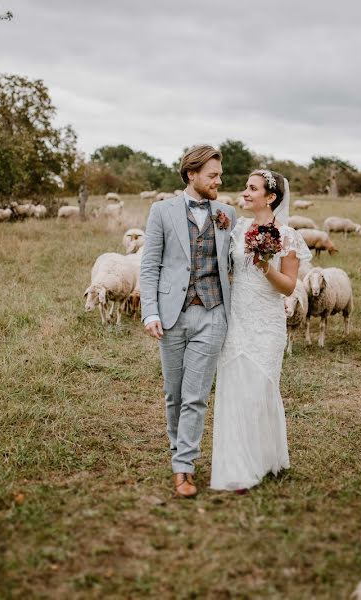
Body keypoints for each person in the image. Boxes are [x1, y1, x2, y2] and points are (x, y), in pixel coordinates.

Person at [140, 145, 238, 498]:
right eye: (212, 175)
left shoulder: (228, 213)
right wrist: (150, 311)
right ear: (191, 175)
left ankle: (184, 466)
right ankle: (176, 449)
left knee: (196, 396)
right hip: (171, 315)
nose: (219, 181)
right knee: (174, 393)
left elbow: (234, 263)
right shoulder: (161, 211)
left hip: (212, 313)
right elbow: (150, 265)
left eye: (220, 175)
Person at [210, 169, 311, 492]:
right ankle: (238, 465)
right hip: (237, 319)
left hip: (267, 323)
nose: (245, 192)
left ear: (271, 197)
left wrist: (265, 265)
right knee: (235, 388)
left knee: (258, 391)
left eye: (252, 188)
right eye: (246, 186)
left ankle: (264, 459)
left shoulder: (289, 236)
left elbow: (289, 287)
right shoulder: (238, 228)